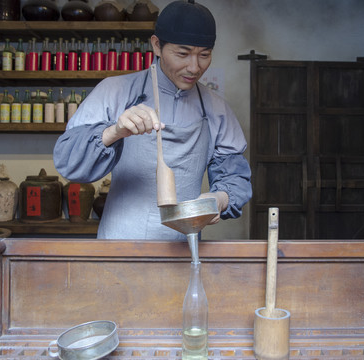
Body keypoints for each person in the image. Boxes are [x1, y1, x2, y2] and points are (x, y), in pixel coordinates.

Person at [53, 0, 252, 240]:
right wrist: (113, 132)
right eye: (183, 53)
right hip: (119, 245)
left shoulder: (217, 109)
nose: (194, 67)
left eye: (204, 55)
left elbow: (234, 177)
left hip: (184, 250)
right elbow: (68, 163)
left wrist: (219, 199)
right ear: (157, 45)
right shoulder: (114, 91)